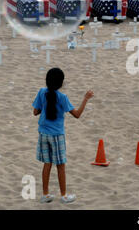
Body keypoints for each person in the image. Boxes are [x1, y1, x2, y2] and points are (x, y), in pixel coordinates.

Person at [32, 68, 94, 204]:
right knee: (60, 165)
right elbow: (77, 114)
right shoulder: (62, 97)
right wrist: (85, 99)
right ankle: (64, 195)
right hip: (57, 135)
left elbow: (35, 112)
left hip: (43, 133)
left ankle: (45, 194)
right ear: (61, 83)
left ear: (47, 81)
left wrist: (45, 106)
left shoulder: (42, 92)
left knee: (47, 164)